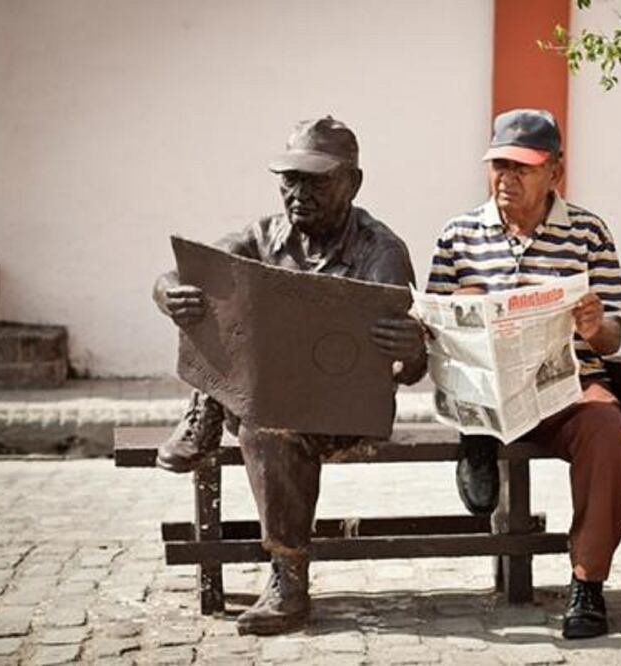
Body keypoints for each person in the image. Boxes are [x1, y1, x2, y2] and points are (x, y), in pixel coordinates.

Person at [152, 116, 426, 635]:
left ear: (353, 182)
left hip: (344, 411)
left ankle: (288, 585)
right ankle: (203, 413)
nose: (298, 192)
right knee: (216, 306)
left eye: (316, 180)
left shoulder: (381, 251)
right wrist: (168, 292)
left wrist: (410, 349)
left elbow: (411, 368)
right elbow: (186, 274)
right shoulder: (260, 236)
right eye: (290, 178)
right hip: (268, 398)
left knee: (267, 424)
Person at [427, 108, 621, 639]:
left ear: (555, 173)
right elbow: (432, 331)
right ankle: (476, 437)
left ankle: (587, 585)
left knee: (608, 431)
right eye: (499, 164)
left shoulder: (588, 232)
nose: (507, 177)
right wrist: (456, 310)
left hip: (565, 386)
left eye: (522, 167)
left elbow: (614, 335)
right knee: (473, 334)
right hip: (486, 391)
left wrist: (594, 325)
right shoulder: (458, 234)